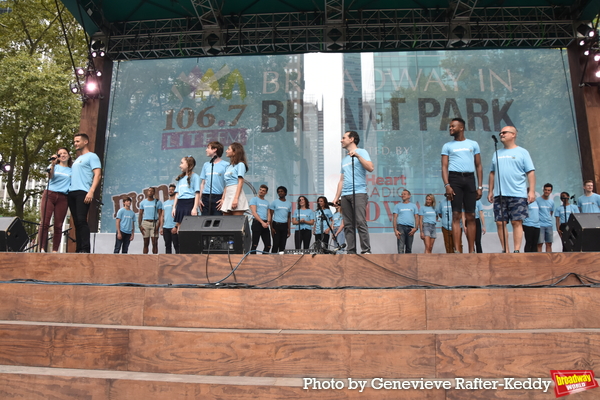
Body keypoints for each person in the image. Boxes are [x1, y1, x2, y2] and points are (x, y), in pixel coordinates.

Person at [487, 126, 535, 253]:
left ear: (513, 135)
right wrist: (490, 191)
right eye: (500, 132)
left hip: (517, 193)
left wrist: (531, 191)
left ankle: (517, 250)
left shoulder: (522, 152)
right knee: (500, 223)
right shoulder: (496, 153)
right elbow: (492, 173)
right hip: (500, 194)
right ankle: (506, 250)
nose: (501, 134)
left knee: (516, 222)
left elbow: (530, 172)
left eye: (504, 132)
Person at [441, 117, 483, 254]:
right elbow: (444, 166)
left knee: (471, 216)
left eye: (453, 126)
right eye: (450, 127)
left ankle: (471, 250)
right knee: (456, 215)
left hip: (470, 179)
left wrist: (480, 186)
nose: (450, 128)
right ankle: (457, 250)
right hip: (455, 179)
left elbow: (479, 165)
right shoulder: (447, 146)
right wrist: (447, 184)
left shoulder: (473, 144)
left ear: (461, 127)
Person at [333, 131, 374, 254]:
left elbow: (370, 168)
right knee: (348, 224)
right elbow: (341, 180)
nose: (341, 140)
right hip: (345, 195)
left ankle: (366, 250)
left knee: (360, 221)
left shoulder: (362, 152)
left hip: (359, 192)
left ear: (351, 139)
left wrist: (357, 156)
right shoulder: (344, 159)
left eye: (343, 138)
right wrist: (336, 197)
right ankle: (351, 251)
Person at [68, 133, 102, 253]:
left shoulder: (92, 156)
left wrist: (91, 191)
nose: (75, 144)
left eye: (77, 141)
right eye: (74, 142)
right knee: (76, 222)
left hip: (83, 192)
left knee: (82, 220)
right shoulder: (77, 159)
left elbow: (97, 174)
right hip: (72, 192)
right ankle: (79, 249)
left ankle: (85, 249)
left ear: (85, 142)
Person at [38, 147, 72, 253]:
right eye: (60, 154)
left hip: (63, 197)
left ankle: (55, 250)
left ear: (69, 155)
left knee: (58, 225)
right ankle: (42, 248)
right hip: (50, 194)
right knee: (45, 222)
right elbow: (50, 176)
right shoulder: (54, 166)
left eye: (64, 153)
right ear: (57, 156)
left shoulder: (72, 170)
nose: (62, 155)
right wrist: (52, 163)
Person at [172, 156, 201, 235]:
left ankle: (190, 246)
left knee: (190, 228)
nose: (180, 165)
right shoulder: (181, 178)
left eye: (182, 163)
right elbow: (177, 193)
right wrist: (174, 207)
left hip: (190, 203)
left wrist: (195, 208)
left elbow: (197, 193)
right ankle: (182, 246)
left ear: (188, 164)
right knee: (179, 227)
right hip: (180, 204)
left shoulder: (195, 177)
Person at [199, 141, 229, 216]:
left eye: (208, 148)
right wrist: (199, 198)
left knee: (216, 222)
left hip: (218, 197)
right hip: (205, 197)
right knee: (204, 221)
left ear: (215, 149)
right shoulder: (206, 165)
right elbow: (203, 183)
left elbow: (227, 184)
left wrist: (223, 199)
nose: (206, 150)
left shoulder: (226, 165)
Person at [220, 142, 249, 215]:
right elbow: (226, 184)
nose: (226, 151)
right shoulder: (229, 166)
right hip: (228, 192)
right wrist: (223, 198)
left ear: (235, 152)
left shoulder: (240, 165)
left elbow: (240, 182)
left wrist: (236, 198)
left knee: (236, 223)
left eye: (228, 149)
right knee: (225, 222)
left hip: (235, 191)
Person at [393, 189, 419, 254]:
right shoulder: (397, 206)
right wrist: (395, 230)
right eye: (402, 194)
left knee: (409, 248)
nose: (403, 195)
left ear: (409, 196)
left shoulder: (413, 206)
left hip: (410, 228)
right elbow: (395, 218)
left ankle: (408, 263)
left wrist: (415, 228)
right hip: (400, 227)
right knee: (400, 248)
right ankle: (401, 263)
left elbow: (416, 217)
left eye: (404, 194)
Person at [138, 187, 163, 254]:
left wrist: (158, 226)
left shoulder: (157, 202)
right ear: (147, 192)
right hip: (145, 223)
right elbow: (140, 214)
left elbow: (160, 215)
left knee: (154, 243)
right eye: (149, 191)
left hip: (154, 223)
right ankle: (145, 259)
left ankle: (154, 259)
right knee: (146, 243)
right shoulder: (143, 202)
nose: (150, 192)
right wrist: (140, 225)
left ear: (154, 193)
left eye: (152, 191)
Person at [249, 184, 271, 253]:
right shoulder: (254, 199)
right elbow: (254, 212)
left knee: (268, 245)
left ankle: (264, 260)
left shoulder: (267, 202)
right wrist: (262, 222)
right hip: (257, 223)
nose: (261, 191)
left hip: (265, 223)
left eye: (263, 190)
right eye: (260, 190)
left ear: (266, 192)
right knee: (255, 244)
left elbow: (269, 213)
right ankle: (253, 261)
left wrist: (268, 221)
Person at [269, 186, 292, 253]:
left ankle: (281, 262)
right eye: (278, 192)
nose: (280, 193)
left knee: (282, 245)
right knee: (275, 244)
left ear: (285, 193)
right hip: (276, 225)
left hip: (284, 226)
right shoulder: (274, 202)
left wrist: (289, 229)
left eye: (281, 191)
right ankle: (273, 261)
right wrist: (271, 228)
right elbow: (270, 215)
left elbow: (288, 217)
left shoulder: (289, 204)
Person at [161, 184, 179, 254]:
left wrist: (176, 226)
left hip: (174, 227)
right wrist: (161, 227)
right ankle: (168, 263)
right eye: (170, 189)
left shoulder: (177, 202)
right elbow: (162, 215)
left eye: (172, 189)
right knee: (167, 246)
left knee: (176, 246)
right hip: (166, 228)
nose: (170, 191)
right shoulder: (165, 203)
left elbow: (180, 215)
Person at [536, 183, 555, 252]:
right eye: (545, 190)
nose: (547, 191)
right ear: (543, 190)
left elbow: (551, 212)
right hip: (540, 225)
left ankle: (549, 260)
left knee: (549, 244)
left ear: (551, 191)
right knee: (539, 244)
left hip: (549, 225)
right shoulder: (537, 200)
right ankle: (540, 260)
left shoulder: (552, 202)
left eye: (549, 190)